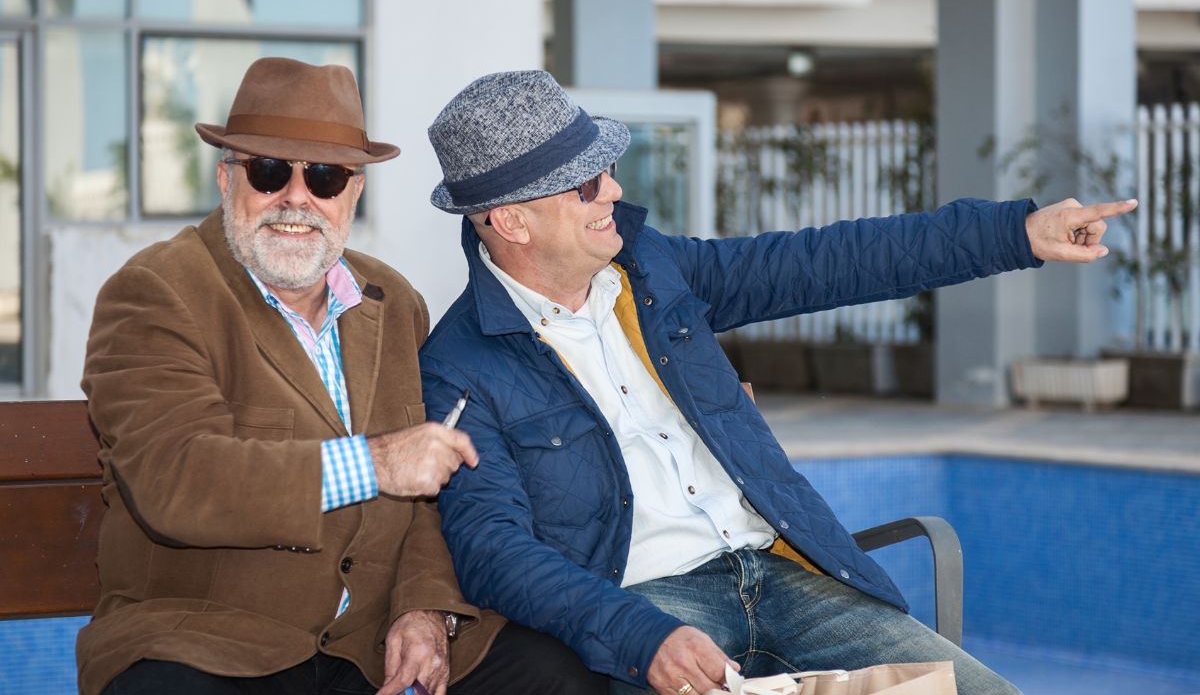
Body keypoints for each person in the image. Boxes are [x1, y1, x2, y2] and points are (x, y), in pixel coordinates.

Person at [418, 71, 1134, 695]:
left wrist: (1017, 233)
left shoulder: (656, 273)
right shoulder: (459, 365)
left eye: (605, 166)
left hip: (784, 572)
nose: (615, 188)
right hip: (651, 607)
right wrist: (640, 637)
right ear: (510, 219)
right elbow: (494, 550)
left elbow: (828, 261)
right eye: (585, 183)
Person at [77, 59, 605, 695]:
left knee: (557, 676)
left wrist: (424, 606)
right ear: (226, 179)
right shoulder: (156, 293)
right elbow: (175, 479)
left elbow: (433, 499)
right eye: (269, 171)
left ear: (353, 192)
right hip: (209, 644)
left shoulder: (394, 301)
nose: (296, 198)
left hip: (366, 644)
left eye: (325, 177)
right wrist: (373, 464)